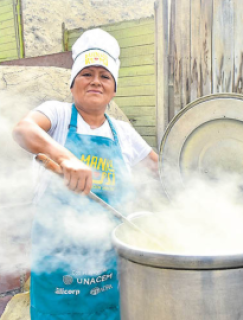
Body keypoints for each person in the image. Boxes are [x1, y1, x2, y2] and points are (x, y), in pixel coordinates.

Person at [13, 29, 158, 319]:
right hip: (57, 263)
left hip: (108, 262)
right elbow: (23, 130)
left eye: (105, 76)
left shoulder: (124, 133)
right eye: (86, 74)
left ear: (113, 89)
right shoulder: (58, 114)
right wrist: (66, 158)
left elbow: (159, 171)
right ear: (73, 84)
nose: (95, 81)